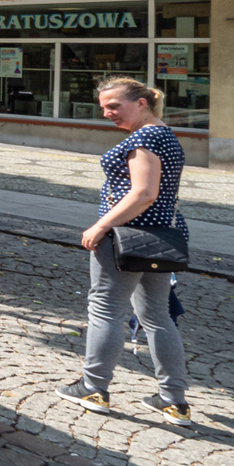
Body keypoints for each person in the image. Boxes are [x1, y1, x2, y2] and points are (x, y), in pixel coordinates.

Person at [56, 76, 191, 426]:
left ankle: (93, 387)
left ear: (141, 103)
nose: (107, 113)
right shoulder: (165, 135)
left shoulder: (145, 137)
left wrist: (101, 227)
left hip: (127, 239)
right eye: (103, 107)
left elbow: (144, 192)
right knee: (157, 317)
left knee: (106, 310)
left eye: (114, 106)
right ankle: (174, 400)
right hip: (162, 237)